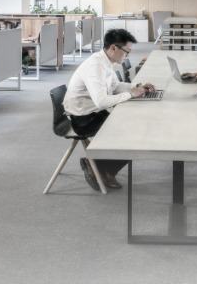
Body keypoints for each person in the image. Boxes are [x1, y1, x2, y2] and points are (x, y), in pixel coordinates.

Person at [63, 28, 156, 191]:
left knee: (137, 127)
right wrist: (130, 94)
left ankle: (100, 167)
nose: (127, 55)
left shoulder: (105, 62)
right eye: (126, 52)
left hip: (93, 111)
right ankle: (99, 168)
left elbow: (115, 86)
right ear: (113, 48)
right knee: (136, 133)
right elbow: (101, 101)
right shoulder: (95, 66)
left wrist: (137, 87)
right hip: (83, 118)